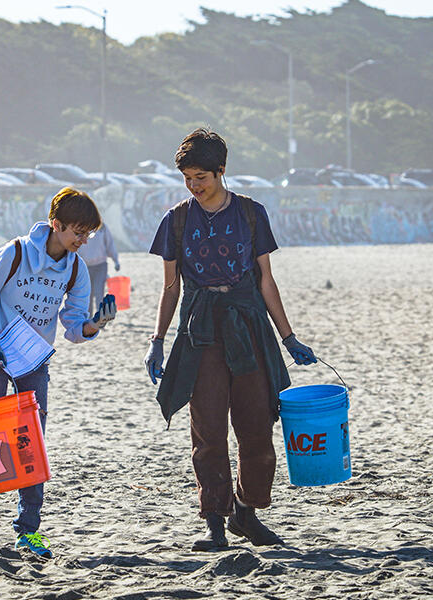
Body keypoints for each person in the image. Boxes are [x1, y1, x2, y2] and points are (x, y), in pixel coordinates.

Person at [143, 128, 318, 551]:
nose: (194, 185)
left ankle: (247, 512)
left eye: (201, 176)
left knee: (257, 424)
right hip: (200, 333)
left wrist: (289, 337)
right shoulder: (177, 220)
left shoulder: (252, 214)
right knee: (208, 430)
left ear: (221, 171)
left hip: (249, 329)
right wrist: (158, 339)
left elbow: (266, 280)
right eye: (188, 178)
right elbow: (171, 288)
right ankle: (215, 524)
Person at [0, 187, 118, 559]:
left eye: (88, 234)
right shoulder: (15, 253)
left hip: (34, 359)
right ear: (56, 225)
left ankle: (28, 531)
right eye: (78, 232)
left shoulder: (75, 267)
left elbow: (73, 325)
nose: (83, 240)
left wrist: (94, 325)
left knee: (30, 443)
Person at [75, 222, 121, 314]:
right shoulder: (79, 227)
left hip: (100, 266)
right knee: (87, 295)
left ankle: (99, 318)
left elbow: (110, 244)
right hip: (84, 267)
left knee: (99, 293)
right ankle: (88, 318)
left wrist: (116, 260)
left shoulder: (102, 227)